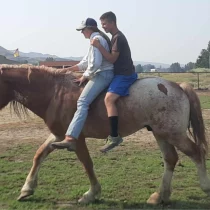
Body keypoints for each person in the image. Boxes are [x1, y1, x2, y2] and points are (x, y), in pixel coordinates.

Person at [51, 18, 114, 151]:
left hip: (103, 74)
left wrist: (85, 76)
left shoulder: (95, 40)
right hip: (102, 72)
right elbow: (85, 63)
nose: (81, 33)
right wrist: (66, 70)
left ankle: (70, 138)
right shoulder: (96, 38)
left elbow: (95, 65)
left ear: (89, 28)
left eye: (82, 30)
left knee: (82, 102)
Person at [91, 11, 138, 153]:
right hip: (119, 73)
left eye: (104, 24)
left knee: (109, 99)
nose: (103, 27)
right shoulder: (114, 37)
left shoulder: (117, 38)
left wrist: (98, 47)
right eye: (101, 24)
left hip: (124, 74)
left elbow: (112, 59)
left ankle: (114, 136)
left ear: (112, 22)